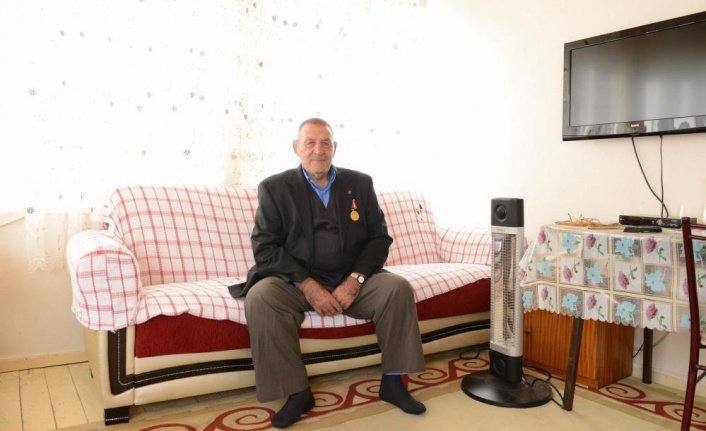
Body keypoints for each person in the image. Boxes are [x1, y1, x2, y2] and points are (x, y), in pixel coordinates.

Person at [228, 117, 427, 428]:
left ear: (335, 148)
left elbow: (379, 239)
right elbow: (265, 247)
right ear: (296, 147)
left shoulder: (360, 184)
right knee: (261, 297)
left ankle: (393, 383)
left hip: (350, 279)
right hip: (296, 284)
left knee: (397, 288)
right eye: (310, 142)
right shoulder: (275, 188)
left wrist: (355, 280)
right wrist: (308, 286)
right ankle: (297, 393)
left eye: (325, 143)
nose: (318, 150)